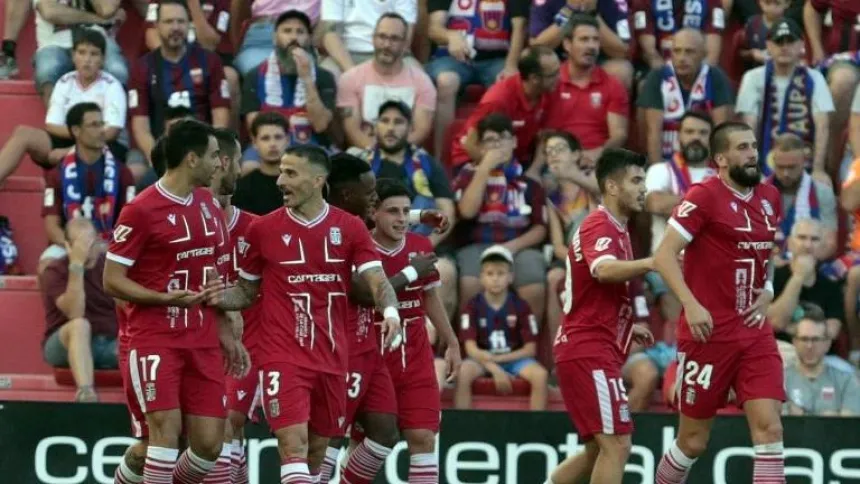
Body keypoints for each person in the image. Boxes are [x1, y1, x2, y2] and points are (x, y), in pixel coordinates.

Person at [214, 145, 403, 482]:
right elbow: (245, 291)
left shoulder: (350, 228)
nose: (280, 181)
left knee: (317, 455)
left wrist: (390, 312)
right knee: (293, 444)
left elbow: (376, 279)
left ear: (318, 180)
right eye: (281, 172)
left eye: (291, 173)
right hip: (283, 356)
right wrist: (208, 296)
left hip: (332, 359)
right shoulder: (262, 230)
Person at [103, 119, 245, 483]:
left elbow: (216, 276)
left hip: (203, 340)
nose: (220, 163)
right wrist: (163, 298)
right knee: (162, 438)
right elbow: (112, 279)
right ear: (192, 159)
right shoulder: (140, 209)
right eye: (215, 156)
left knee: (210, 446)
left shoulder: (208, 204)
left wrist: (227, 331)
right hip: (155, 339)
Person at [653, 122, 786, 483]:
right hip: (708, 334)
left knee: (770, 432)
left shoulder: (770, 197)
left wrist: (770, 288)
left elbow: (768, 250)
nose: (753, 154)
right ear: (721, 159)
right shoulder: (703, 195)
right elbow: (664, 255)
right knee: (693, 442)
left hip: (755, 332)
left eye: (754, 146)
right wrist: (691, 304)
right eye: (742, 148)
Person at [546, 148, 655, 484]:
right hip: (588, 350)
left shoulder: (616, 229)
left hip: (590, 346)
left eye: (644, 181)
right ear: (611, 186)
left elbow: (592, 291)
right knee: (618, 445)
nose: (643, 189)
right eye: (635, 180)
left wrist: (625, 323)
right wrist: (653, 262)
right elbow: (604, 270)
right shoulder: (600, 224)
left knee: (598, 448)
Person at [453, 113, 549, 339]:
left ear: (514, 142)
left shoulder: (528, 183)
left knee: (533, 283)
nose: (497, 145)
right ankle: (469, 345)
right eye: (490, 140)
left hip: (518, 246)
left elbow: (540, 228)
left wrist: (512, 247)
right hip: (478, 244)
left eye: (503, 138)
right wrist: (484, 169)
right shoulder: (467, 176)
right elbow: (466, 211)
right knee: (470, 283)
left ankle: (526, 344)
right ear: (480, 146)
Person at [0, 30, 128, 184]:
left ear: (102, 59)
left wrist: (74, 151)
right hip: (69, 138)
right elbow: (52, 125)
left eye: (94, 54)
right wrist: (75, 144)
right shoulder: (64, 82)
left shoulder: (112, 86)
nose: (87, 60)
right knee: (23, 133)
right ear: (73, 56)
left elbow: (111, 132)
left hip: (103, 146)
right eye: (81, 53)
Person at [127, 0, 231, 179]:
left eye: (181, 22)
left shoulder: (210, 61)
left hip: (201, 146)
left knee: (223, 171)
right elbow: (140, 128)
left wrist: (207, 155)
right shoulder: (142, 67)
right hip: (159, 146)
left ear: (189, 24)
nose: (175, 27)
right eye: (168, 22)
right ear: (156, 26)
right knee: (135, 172)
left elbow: (220, 119)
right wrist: (161, 161)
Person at [210, 128, 259, 484]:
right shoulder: (182, 224)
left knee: (228, 422)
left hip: (246, 345)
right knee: (216, 437)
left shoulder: (256, 229)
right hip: (193, 339)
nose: (242, 169)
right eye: (239, 161)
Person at [425, 0, 528, 158]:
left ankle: (503, 160)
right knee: (446, 82)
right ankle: (442, 159)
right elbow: (434, 28)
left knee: (508, 84)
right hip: (453, 58)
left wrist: (511, 64)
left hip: (497, 59)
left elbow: (519, 27)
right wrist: (450, 35)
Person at [40, 103, 136, 270]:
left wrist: (104, 246)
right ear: (76, 131)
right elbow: (51, 227)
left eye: (102, 124)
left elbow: (131, 223)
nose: (102, 131)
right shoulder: (57, 173)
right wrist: (78, 247)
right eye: (94, 125)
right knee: (47, 263)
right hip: (69, 244)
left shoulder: (122, 172)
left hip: (110, 245)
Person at [735, 18, 833, 180]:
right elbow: (748, 126)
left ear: (802, 45)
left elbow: (822, 126)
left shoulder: (815, 78)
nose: (784, 47)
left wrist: (818, 169)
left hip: (805, 164)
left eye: (790, 41)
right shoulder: (752, 78)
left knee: (824, 189)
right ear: (768, 45)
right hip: (762, 163)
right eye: (779, 42)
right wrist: (751, 167)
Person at [457, 245, 548, 411]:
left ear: (510, 277)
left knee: (540, 375)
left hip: (514, 359)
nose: (495, 279)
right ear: (481, 277)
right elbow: (470, 348)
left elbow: (530, 349)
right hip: (482, 360)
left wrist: (498, 361)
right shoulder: (472, 307)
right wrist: (494, 368)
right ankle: (463, 425)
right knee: (463, 372)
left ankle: (536, 428)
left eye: (501, 273)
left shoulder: (521, 306)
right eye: (490, 274)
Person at [39, 217, 117, 402]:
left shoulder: (111, 268)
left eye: (91, 242)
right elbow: (75, 312)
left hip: (108, 343)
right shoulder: (55, 271)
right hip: (64, 345)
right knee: (79, 325)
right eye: (80, 244)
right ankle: (85, 393)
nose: (87, 249)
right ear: (67, 246)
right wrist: (76, 266)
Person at [448, 46, 559, 170]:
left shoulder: (549, 91)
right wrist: (498, 172)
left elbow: (545, 135)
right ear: (534, 78)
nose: (559, 77)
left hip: (512, 159)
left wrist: (534, 171)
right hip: (473, 159)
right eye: (553, 74)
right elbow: (469, 143)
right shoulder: (498, 99)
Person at [337, 13, 437, 150]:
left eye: (394, 39)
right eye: (382, 37)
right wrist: (377, 154)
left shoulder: (422, 82)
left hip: (405, 153)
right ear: (373, 39)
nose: (387, 45)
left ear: (404, 44)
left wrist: (394, 154)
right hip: (364, 151)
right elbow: (353, 131)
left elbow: (420, 131)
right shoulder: (350, 79)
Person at [241, 10, 336, 148]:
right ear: (274, 37)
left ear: (309, 39)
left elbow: (320, 125)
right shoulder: (254, 75)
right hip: (268, 149)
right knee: (250, 167)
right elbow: (254, 126)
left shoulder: (324, 76)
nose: (293, 37)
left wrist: (307, 79)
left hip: (312, 148)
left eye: (300, 32)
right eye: (287, 31)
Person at [638, 28, 734, 164]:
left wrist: (712, 172)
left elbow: (720, 133)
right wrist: (657, 171)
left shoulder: (715, 77)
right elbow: (653, 132)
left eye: (689, 52)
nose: (682, 58)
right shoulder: (658, 77)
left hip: (705, 163)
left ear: (703, 55)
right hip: (666, 160)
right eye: (677, 51)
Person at [544, 14, 629, 167]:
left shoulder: (612, 85)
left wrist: (595, 155)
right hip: (557, 161)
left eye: (595, 40)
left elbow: (619, 134)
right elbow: (546, 133)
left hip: (598, 161)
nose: (591, 46)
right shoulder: (552, 83)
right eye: (584, 39)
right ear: (567, 44)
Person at [32, 0, 127, 105]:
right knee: (48, 70)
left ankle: (112, 120)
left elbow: (107, 8)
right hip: (55, 44)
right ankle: (56, 120)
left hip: (98, 41)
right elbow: (50, 12)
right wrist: (98, 19)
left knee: (117, 70)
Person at [784, 317, 860, 416]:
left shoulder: (846, 380)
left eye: (816, 339)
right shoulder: (780, 380)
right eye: (804, 339)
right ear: (794, 342)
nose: (809, 346)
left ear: (827, 343)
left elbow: (848, 424)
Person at [630, 0, 725, 67]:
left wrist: (697, 77)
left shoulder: (713, 1)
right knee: (645, 84)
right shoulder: (643, 1)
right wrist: (670, 79)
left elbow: (712, 55)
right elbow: (650, 53)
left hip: (697, 67)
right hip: (659, 65)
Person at [232, 112, 291, 214]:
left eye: (278, 137)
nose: (273, 144)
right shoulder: (242, 188)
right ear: (254, 142)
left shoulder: (300, 184)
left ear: (287, 140)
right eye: (265, 138)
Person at [738, 0, 791, 67]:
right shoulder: (752, 23)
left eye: (777, 3)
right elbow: (740, 53)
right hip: (755, 72)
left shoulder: (790, 26)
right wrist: (752, 53)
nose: (772, 8)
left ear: (787, 3)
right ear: (760, 2)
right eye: (767, 3)